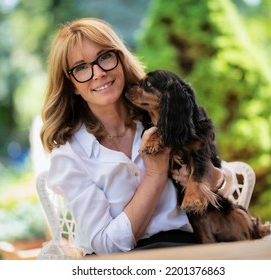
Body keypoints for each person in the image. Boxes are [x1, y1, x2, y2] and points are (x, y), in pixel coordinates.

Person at [40, 18, 232, 255]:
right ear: (71, 85)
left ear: (120, 59)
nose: (98, 73)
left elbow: (222, 179)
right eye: (80, 68)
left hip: (188, 249)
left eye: (105, 57)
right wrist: (155, 174)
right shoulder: (70, 156)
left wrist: (212, 177)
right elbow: (106, 245)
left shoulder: (160, 114)